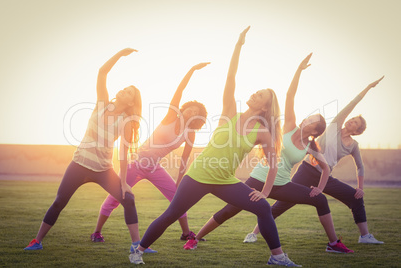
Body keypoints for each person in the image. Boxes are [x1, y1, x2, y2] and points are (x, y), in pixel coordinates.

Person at [129, 26, 301, 267]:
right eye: (257, 91)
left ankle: (277, 257)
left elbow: (274, 162)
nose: (255, 94)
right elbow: (231, 77)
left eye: (260, 95)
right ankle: (138, 250)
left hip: (224, 180)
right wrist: (238, 46)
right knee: (171, 215)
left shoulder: (261, 132)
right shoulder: (230, 111)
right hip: (198, 175)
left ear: (264, 107)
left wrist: (266, 190)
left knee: (263, 206)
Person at [184, 53, 353, 254]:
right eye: (308, 118)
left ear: (316, 130)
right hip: (259, 179)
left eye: (312, 122)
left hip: (281, 184)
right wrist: (299, 70)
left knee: (320, 199)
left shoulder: (310, 147)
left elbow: (325, 168)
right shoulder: (289, 125)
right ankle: (196, 238)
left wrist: (320, 188)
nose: (307, 121)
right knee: (230, 210)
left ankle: (333, 244)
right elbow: (290, 96)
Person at [24, 48, 142, 258]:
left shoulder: (125, 122)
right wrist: (119, 55)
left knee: (129, 199)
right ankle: (37, 241)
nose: (124, 90)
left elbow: (123, 154)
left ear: (132, 102)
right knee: (60, 201)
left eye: (129, 92)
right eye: (124, 88)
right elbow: (102, 73)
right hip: (79, 164)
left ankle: (137, 245)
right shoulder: (102, 104)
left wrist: (123, 182)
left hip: (104, 169)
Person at [90, 63, 210, 253]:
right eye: (190, 109)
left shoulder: (190, 133)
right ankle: (96, 232)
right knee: (116, 197)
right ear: (184, 108)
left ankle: (186, 233)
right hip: (136, 163)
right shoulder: (171, 115)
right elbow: (180, 90)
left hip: (154, 167)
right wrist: (192, 71)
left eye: (195, 113)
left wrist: (179, 182)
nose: (190, 113)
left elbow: (184, 160)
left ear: (198, 118)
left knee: (177, 198)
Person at [270, 76, 385, 244]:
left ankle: (365, 236)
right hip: (307, 171)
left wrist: (360, 188)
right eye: (352, 119)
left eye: (355, 123)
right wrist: (368, 87)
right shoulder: (335, 125)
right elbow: (352, 103)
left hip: (326, 175)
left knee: (356, 198)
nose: (351, 121)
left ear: (358, 130)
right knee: (286, 202)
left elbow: (360, 167)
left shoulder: (353, 145)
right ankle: (255, 231)